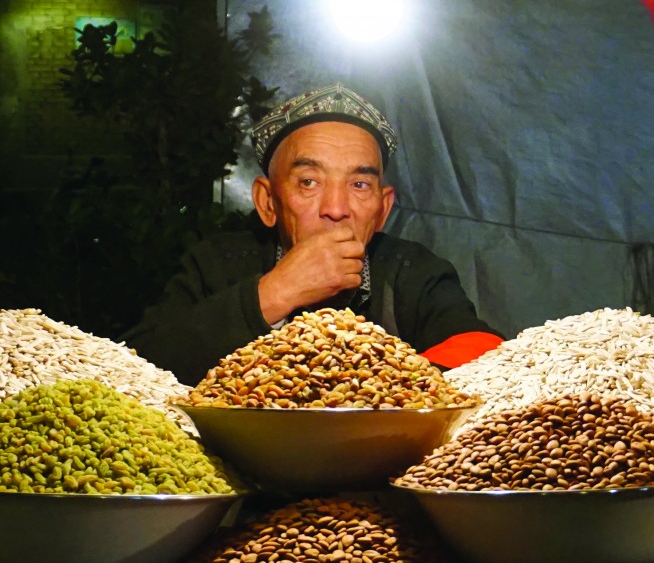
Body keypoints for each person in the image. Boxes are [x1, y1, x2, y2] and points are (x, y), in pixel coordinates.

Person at [124, 83, 503, 386]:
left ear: (382, 209)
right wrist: (276, 291)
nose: (336, 209)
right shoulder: (216, 265)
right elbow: (141, 367)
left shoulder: (414, 272)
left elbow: (485, 357)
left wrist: (386, 385)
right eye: (309, 182)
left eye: (358, 184)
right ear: (268, 202)